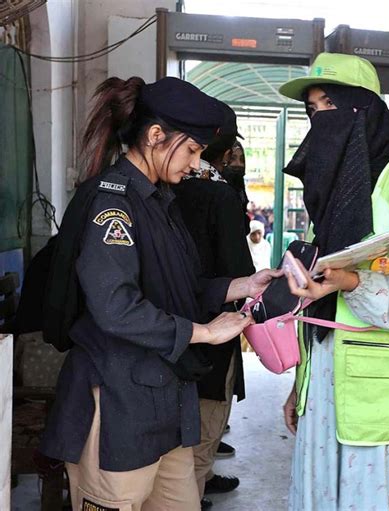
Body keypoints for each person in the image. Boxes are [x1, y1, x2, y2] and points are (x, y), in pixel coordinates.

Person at [39, 76, 280, 511]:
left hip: (167, 404)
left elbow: (177, 287)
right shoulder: (112, 203)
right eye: (191, 150)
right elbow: (116, 308)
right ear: (155, 137)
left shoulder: (160, 202)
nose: (195, 163)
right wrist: (204, 332)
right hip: (117, 405)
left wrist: (241, 285)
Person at [279, 52, 389, 510]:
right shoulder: (329, 190)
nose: (319, 121)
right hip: (323, 393)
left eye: (329, 107)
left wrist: (351, 283)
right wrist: (301, 384)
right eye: (312, 111)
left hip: (384, 401)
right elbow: (319, 306)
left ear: (364, 111)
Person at [173, 102, 255, 508]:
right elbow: (238, 272)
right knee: (204, 432)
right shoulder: (218, 197)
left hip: (163, 335)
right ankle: (194, 494)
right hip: (212, 332)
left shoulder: (158, 190)